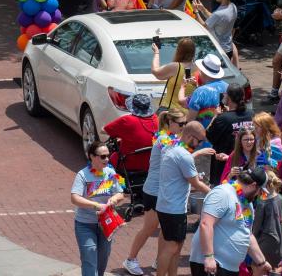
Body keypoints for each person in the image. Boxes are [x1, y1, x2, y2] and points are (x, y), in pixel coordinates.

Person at [122, 108, 187, 276]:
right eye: (181, 124)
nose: (183, 127)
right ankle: (130, 259)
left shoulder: (173, 138)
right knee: (150, 227)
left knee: (165, 230)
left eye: (185, 123)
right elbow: (175, 160)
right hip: (154, 191)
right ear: (170, 123)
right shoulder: (164, 140)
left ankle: (160, 260)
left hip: (163, 191)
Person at [187, 167, 272, 276]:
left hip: (229, 268)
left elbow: (247, 235)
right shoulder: (223, 193)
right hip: (213, 265)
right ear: (253, 185)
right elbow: (206, 224)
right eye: (260, 192)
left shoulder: (246, 203)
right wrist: (209, 257)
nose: (258, 195)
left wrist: (262, 262)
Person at [155, 121, 212, 276]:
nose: (199, 144)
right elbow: (196, 183)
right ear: (189, 136)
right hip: (173, 208)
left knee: (177, 246)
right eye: (198, 141)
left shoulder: (171, 147)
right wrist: (215, 194)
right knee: (171, 247)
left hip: (166, 205)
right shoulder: (184, 155)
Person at [69, 140, 127, 276]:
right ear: (92, 157)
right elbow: (74, 198)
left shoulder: (110, 172)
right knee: (89, 257)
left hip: (106, 224)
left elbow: (120, 193)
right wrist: (96, 205)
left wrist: (114, 199)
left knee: (103, 258)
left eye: (108, 155)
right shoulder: (82, 175)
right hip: (85, 224)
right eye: (102, 156)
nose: (107, 159)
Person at [206, 84, 254, 185]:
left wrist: (216, 116)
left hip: (224, 169)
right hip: (247, 167)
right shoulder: (252, 114)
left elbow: (209, 136)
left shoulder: (223, 119)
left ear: (228, 98)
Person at [104, 93, 158, 173]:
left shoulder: (127, 120)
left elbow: (105, 130)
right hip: (152, 162)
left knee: (112, 157)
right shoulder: (156, 119)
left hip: (129, 163)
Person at [194, 0, 238, 66]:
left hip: (218, 51)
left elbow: (204, 26)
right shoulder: (233, 7)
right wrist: (203, 9)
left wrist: (196, 12)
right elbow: (214, 18)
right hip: (228, 48)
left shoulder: (219, 14)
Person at [184, 54, 229, 131]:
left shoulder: (200, 92)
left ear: (203, 72)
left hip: (203, 137)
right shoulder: (228, 87)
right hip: (224, 134)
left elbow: (190, 121)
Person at [152, 37, 196, 111]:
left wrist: (156, 52)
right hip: (189, 113)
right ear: (194, 51)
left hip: (172, 113)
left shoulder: (175, 66)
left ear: (178, 51)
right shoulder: (199, 68)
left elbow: (155, 71)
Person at [253, 171, 282, 272]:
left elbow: (256, 227)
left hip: (266, 240)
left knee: (257, 268)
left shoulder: (263, 201)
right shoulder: (280, 198)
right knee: (274, 270)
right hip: (279, 240)